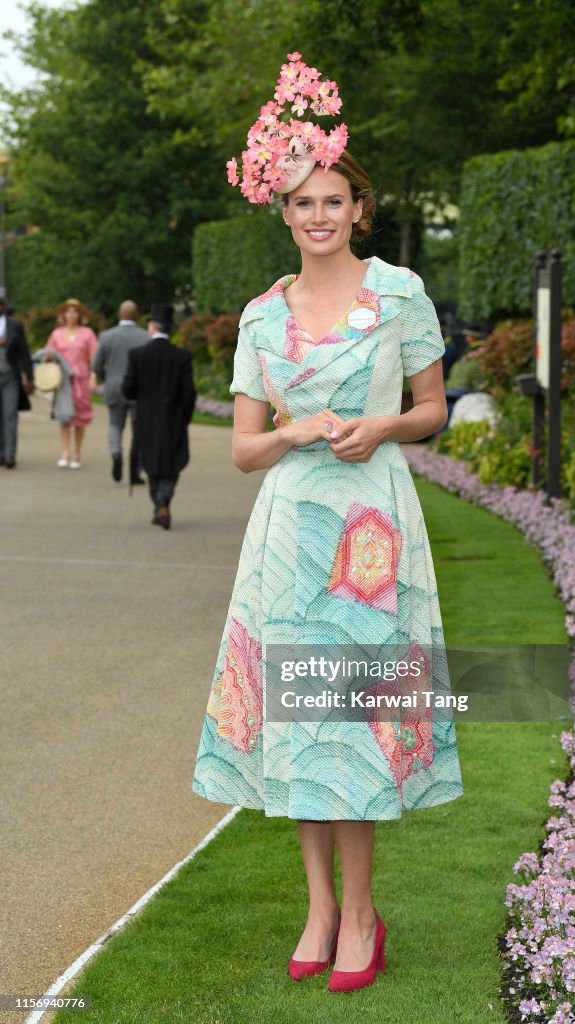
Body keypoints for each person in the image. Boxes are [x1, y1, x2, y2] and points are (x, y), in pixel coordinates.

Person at [192, 53, 463, 993]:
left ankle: (360, 914)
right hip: (290, 535)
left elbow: (433, 410)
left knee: (352, 722)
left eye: (333, 201)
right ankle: (317, 907)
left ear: (359, 208)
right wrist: (299, 430)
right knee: (302, 724)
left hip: (374, 534)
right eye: (302, 202)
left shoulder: (401, 295)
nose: (317, 216)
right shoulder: (262, 318)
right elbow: (242, 450)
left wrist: (383, 424)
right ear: (284, 210)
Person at [121, 303, 196, 529]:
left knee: (150, 460)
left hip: (146, 416)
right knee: (173, 460)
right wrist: (185, 416)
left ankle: (158, 500)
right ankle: (165, 496)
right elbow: (189, 392)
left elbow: (128, 390)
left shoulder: (138, 355)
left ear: (152, 327)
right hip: (173, 415)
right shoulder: (181, 356)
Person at [93, 300, 148, 484]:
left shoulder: (106, 336)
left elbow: (96, 365)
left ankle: (116, 452)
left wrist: (106, 378)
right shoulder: (145, 337)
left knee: (115, 425)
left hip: (114, 386)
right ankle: (136, 469)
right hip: (138, 389)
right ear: (136, 315)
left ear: (119, 315)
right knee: (138, 429)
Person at [44, 298, 98, 469]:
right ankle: (65, 451)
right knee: (64, 415)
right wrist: (49, 357)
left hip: (81, 379)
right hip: (64, 380)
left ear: (80, 315)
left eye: (75, 311)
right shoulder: (57, 334)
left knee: (80, 417)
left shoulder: (88, 333)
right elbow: (48, 353)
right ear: (64, 314)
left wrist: (93, 376)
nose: (72, 315)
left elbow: (95, 357)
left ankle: (77, 451)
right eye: (69, 311)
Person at [0, 296, 34, 468]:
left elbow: (24, 352)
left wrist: (30, 376)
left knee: (10, 414)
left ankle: (10, 455)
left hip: (10, 377)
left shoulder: (15, 326)